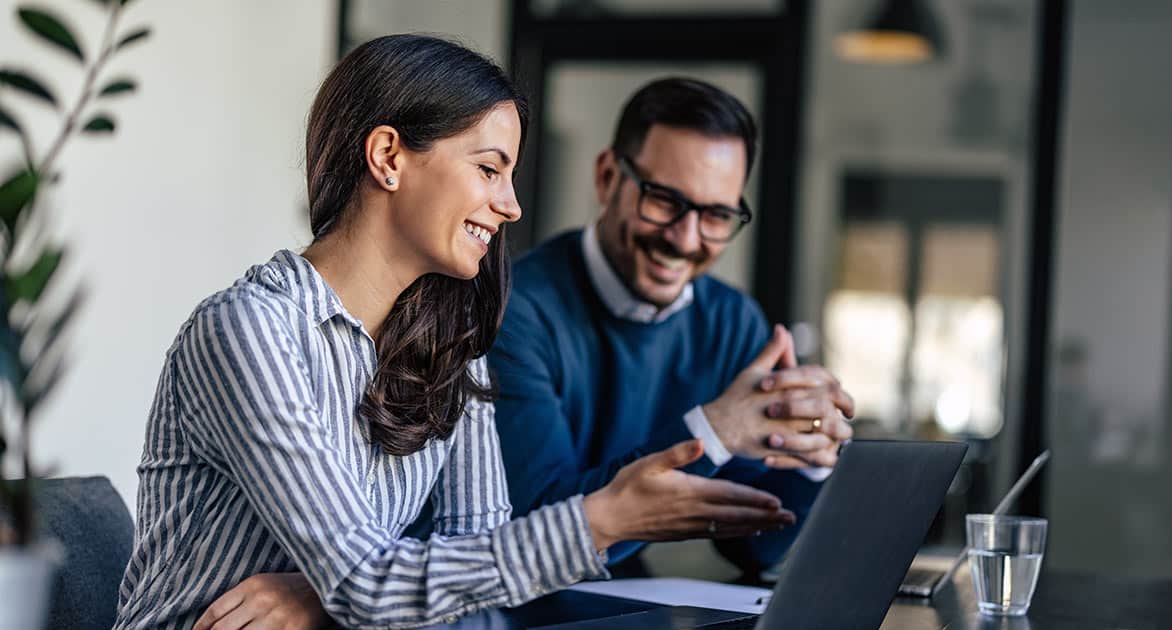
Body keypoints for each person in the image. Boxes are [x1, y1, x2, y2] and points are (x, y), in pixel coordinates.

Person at [113, 36, 796, 629]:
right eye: (489, 169)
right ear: (388, 156)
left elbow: (480, 561)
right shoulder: (250, 331)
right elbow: (366, 584)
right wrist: (603, 520)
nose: (511, 204)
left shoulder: (449, 346)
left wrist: (332, 592)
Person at [488, 77, 856, 575]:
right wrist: (713, 433)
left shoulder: (732, 321)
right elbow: (535, 526)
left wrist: (814, 454)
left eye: (717, 215)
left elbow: (752, 547)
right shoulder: (512, 308)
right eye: (664, 201)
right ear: (607, 177)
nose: (686, 239)